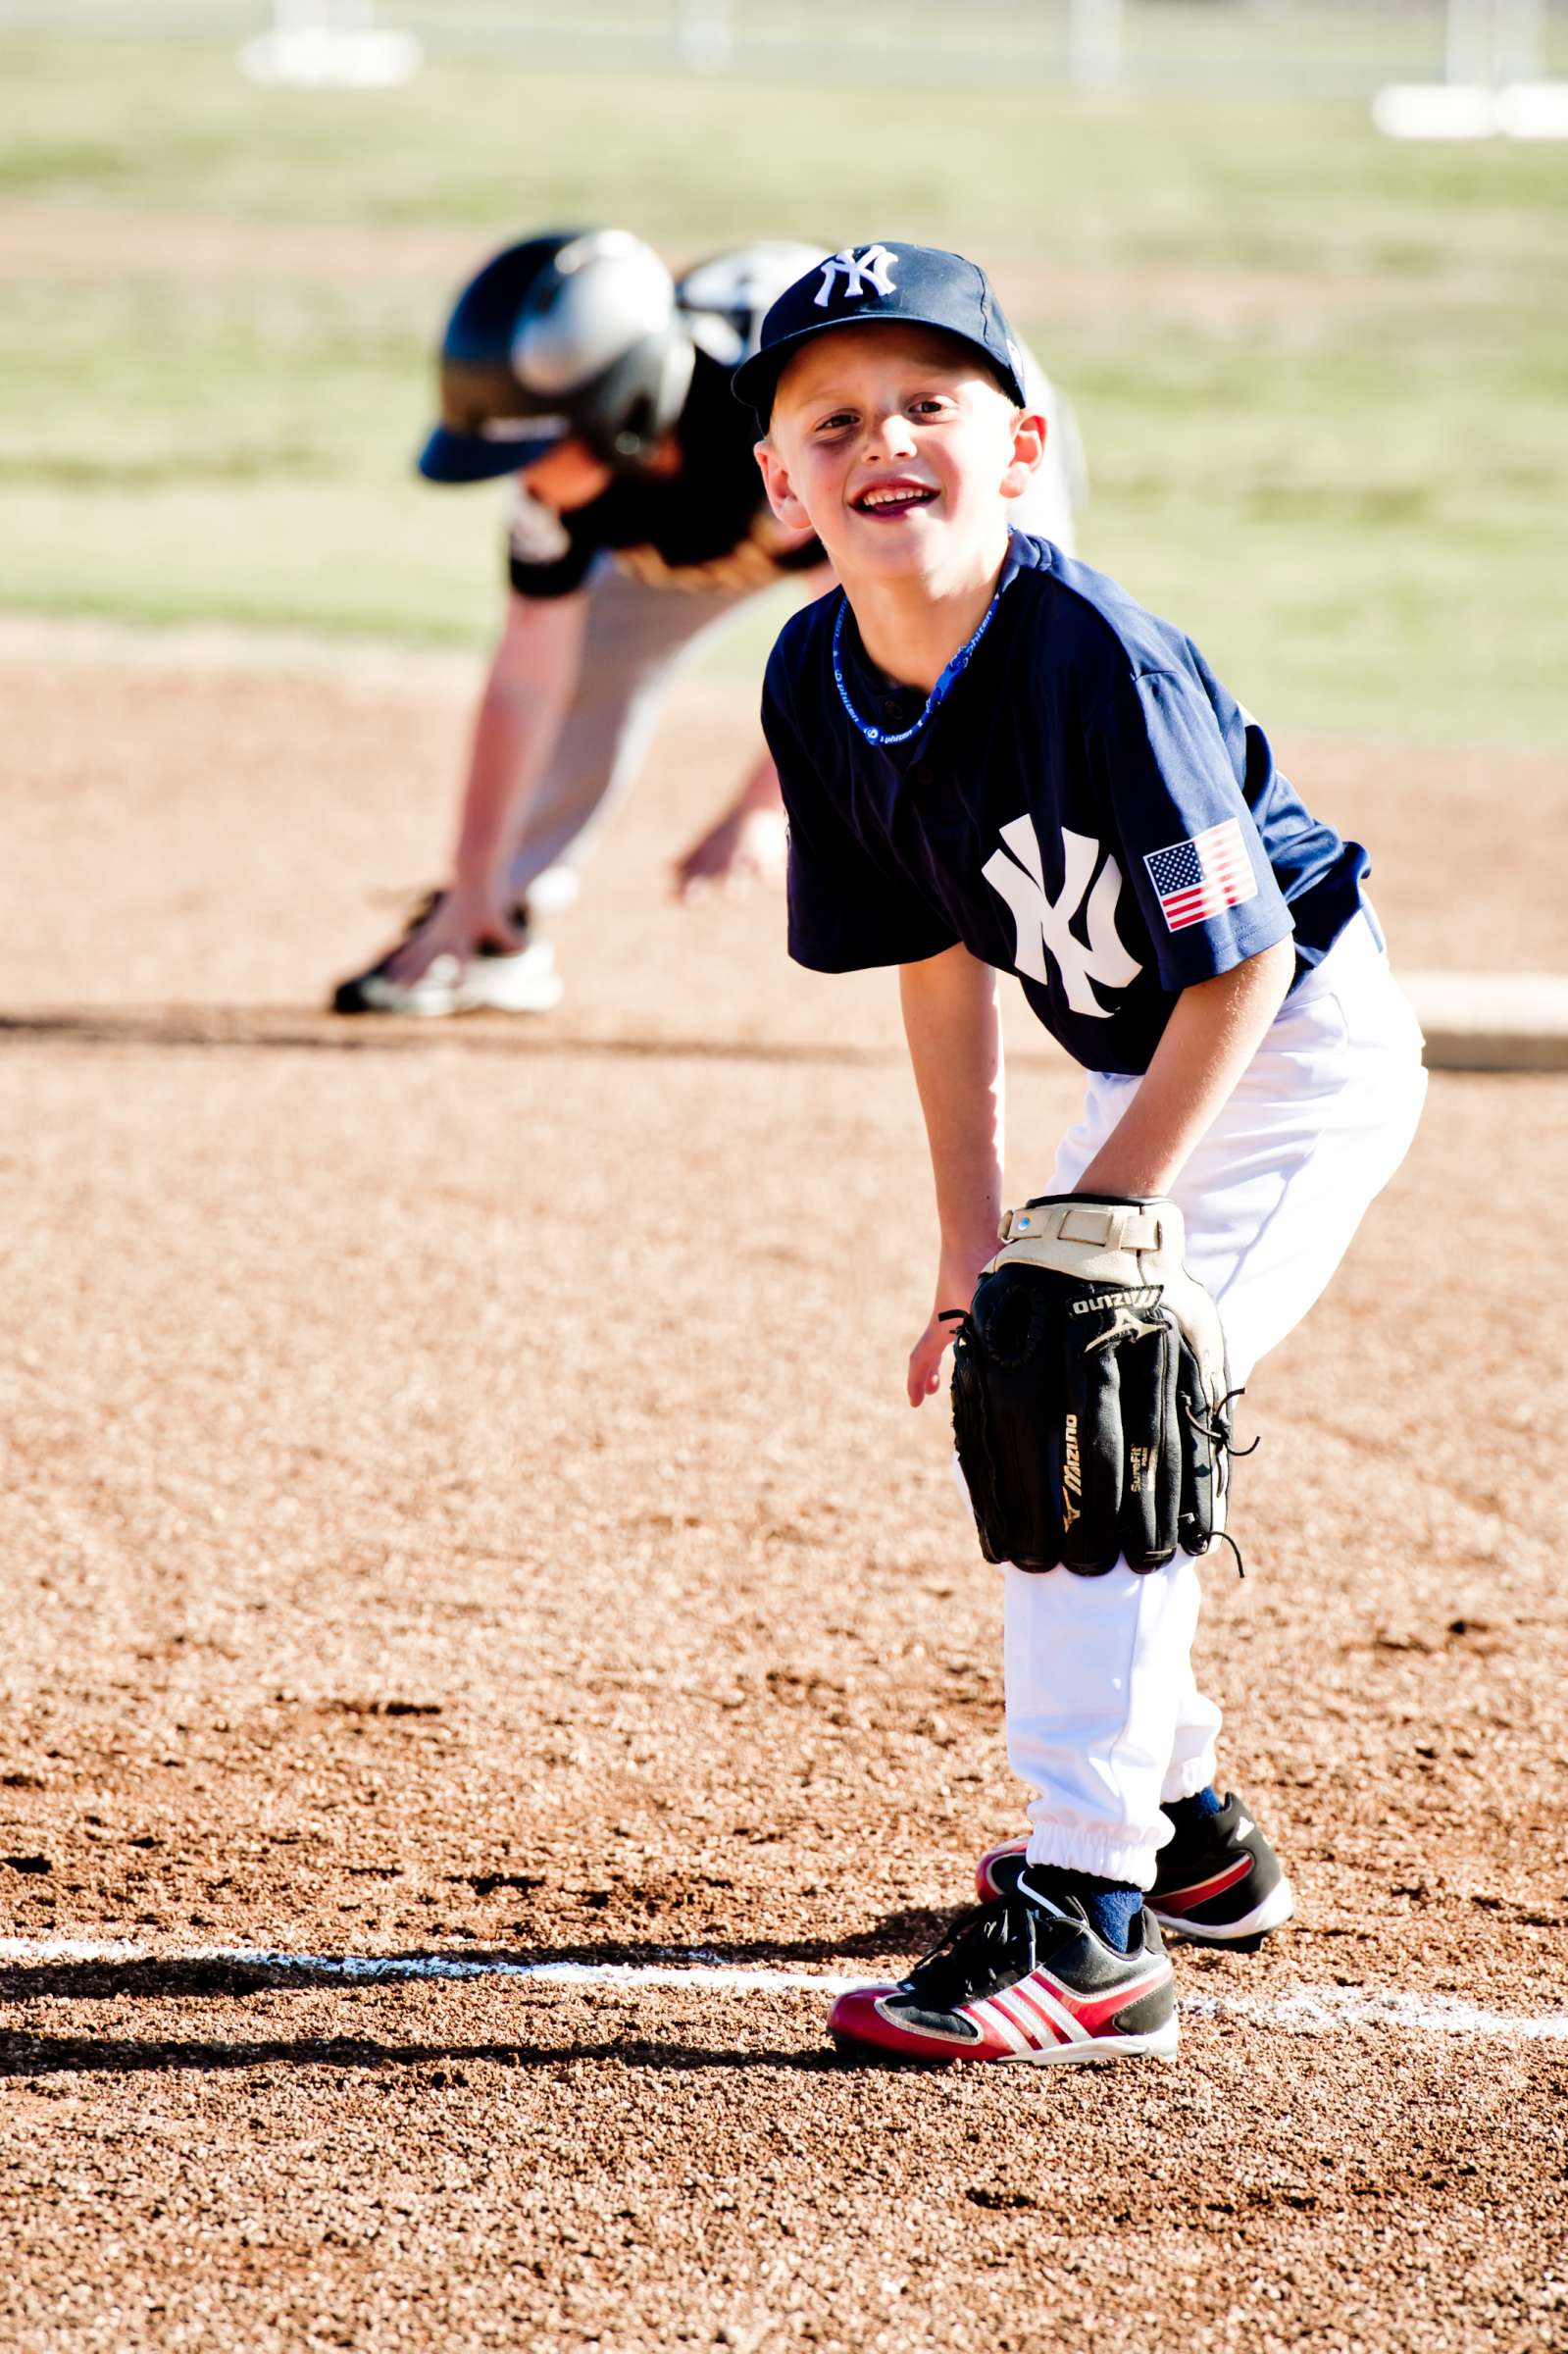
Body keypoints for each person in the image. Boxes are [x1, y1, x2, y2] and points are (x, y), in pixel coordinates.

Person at [738, 243, 1427, 2066]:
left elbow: (1244, 961)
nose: (882, 439)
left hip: (1285, 1049)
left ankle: (1090, 1916)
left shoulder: (1086, 659)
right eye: (832, 419)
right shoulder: (817, 676)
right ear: (778, 484)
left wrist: (1098, 1228)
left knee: (1089, 1384)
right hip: (1158, 1061)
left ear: (1019, 446)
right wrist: (973, 1249)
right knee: (1028, 1361)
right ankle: (1183, 1834)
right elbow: (935, 954)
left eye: (928, 405)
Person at [330, 229, 1085, 1015]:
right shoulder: (564, 481)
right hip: (724, 506)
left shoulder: (777, 432)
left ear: (620, 407)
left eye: (540, 447)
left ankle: (1112, 927)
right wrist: (473, 873)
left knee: (1011, 664)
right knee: (592, 656)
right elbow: (526, 679)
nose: (522, 478)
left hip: (923, 443)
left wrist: (765, 807)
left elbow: (880, 646)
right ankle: (490, 925)